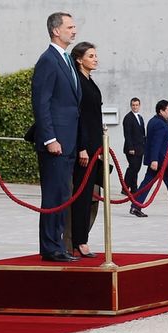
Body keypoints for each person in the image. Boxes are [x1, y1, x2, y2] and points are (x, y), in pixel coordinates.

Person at [31, 11, 81, 262]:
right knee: (53, 195)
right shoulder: (48, 60)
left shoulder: (67, 60)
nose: (74, 30)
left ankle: (58, 244)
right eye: (70, 27)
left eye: (74, 26)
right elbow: (42, 103)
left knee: (63, 194)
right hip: (56, 143)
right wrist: (50, 138)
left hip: (69, 141)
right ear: (55, 31)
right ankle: (51, 247)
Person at [68, 41, 103, 259]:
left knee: (90, 197)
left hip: (95, 147)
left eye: (95, 55)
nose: (95, 59)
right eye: (91, 56)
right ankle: (78, 241)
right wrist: (82, 147)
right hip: (84, 149)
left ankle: (83, 239)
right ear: (80, 59)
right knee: (81, 196)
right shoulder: (78, 82)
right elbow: (78, 117)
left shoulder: (90, 81)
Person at [122, 97, 146, 194]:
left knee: (136, 169)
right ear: (131, 106)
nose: (135, 107)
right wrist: (131, 147)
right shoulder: (128, 118)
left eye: (136, 105)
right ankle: (125, 187)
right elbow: (127, 134)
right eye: (133, 105)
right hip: (131, 149)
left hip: (140, 148)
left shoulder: (140, 117)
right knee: (132, 168)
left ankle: (134, 189)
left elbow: (142, 133)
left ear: (139, 106)